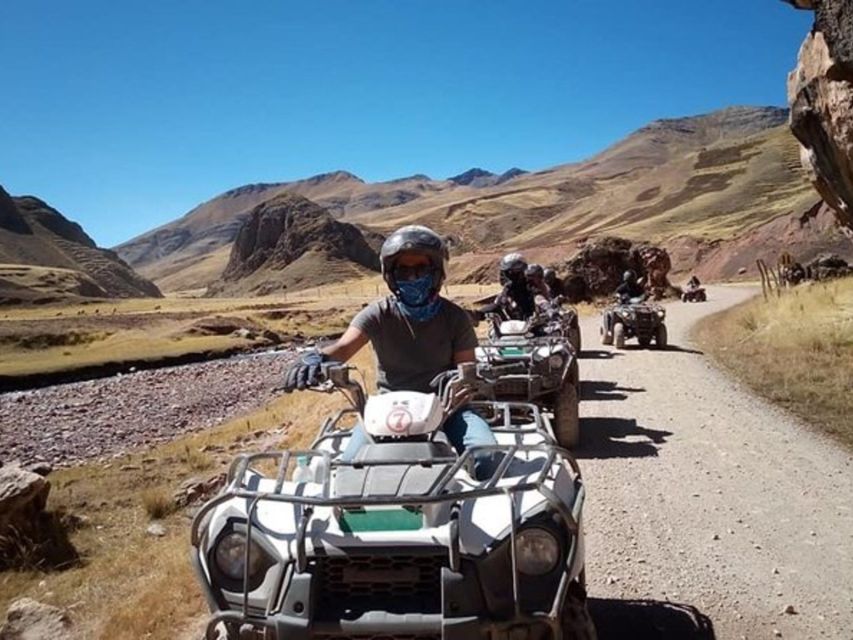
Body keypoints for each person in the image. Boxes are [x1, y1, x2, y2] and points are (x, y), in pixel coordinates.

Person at [283, 225, 499, 479]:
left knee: (486, 458)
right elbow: (343, 347)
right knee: (348, 470)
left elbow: (466, 373)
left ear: (437, 272)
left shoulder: (455, 317)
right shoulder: (377, 313)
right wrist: (317, 359)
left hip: (447, 407)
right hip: (387, 410)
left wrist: (454, 398)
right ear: (391, 275)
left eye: (421, 269)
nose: (412, 277)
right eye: (403, 270)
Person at [493, 253, 537, 320]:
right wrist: (479, 313)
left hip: (534, 325)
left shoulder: (530, 286)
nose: (505, 276)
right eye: (505, 273)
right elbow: (496, 304)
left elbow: (540, 298)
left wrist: (547, 308)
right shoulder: (507, 289)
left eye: (509, 272)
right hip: (513, 327)